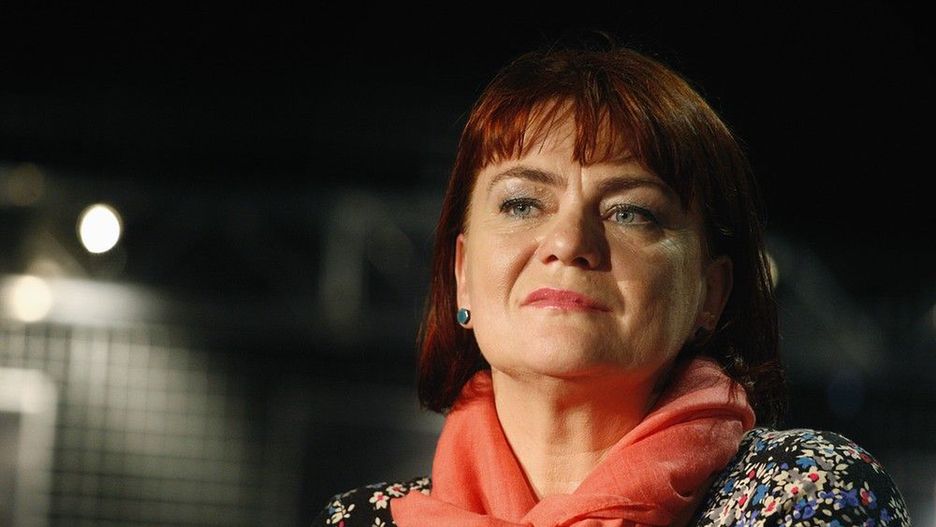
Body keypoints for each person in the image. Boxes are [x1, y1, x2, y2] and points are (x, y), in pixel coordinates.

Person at [313, 38, 910, 527]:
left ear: (711, 293)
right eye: (522, 204)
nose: (569, 242)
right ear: (463, 274)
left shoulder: (803, 490)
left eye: (631, 212)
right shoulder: (360, 521)